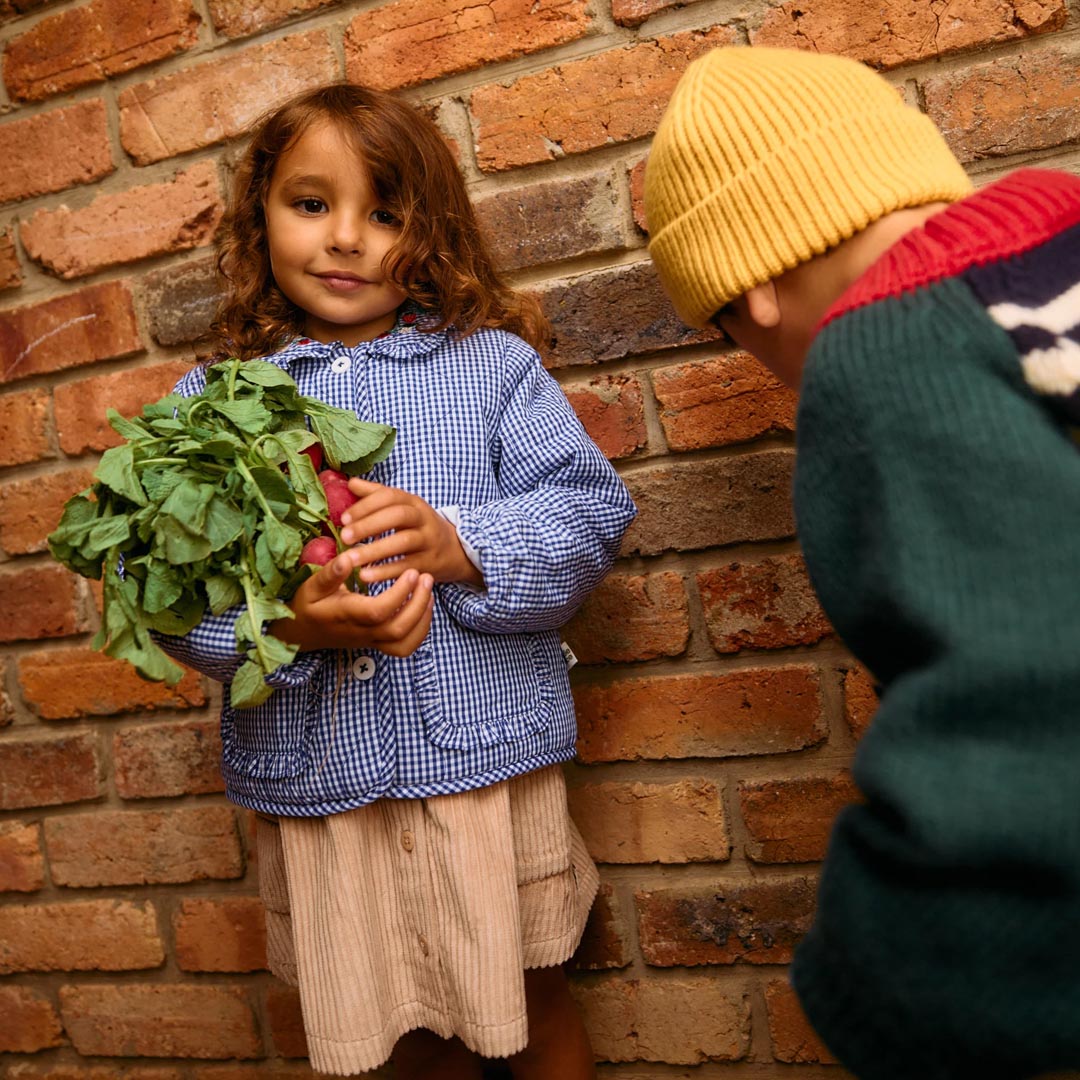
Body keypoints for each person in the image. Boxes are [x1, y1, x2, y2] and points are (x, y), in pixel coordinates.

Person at [155, 82, 636, 1079]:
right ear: (261, 219)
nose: (345, 240)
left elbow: (589, 516)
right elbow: (160, 596)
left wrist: (458, 544)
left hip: (485, 781)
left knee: (535, 1000)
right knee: (402, 1043)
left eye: (384, 211)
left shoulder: (490, 368)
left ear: (434, 230)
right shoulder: (209, 405)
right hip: (327, 794)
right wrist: (290, 626)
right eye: (310, 204)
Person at [644, 45, 1080, 1080]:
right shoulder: (1061, 226)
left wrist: (883, 979)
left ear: (751, 292)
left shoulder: (884, 348)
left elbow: (1020, 683)